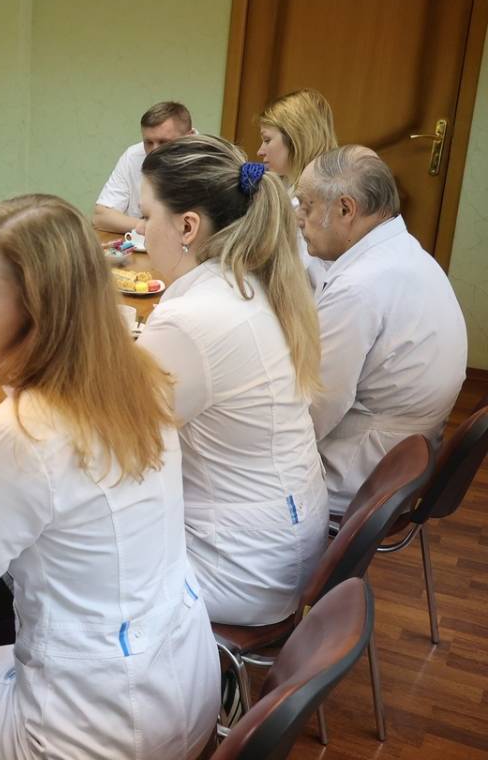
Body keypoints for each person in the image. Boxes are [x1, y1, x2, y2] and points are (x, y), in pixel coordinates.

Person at [0, 195, 218, 759]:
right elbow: (74, 509)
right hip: (184, 688)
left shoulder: (13, 432)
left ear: (40, 309)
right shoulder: (140, 377)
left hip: (93, 730)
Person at [135, 135, 328, 627]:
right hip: (283, 544)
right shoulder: (253, 284)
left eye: (146, 215)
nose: (139, 230)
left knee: (51, 555)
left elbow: (116, 444)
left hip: (239, 570)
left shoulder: (192, 318)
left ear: (187, 226)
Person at [297, 146, 467, 514]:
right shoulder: (403, 253)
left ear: (346, 209)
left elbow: (314, 410)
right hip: (402, 457)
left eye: (306, 206)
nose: (298, 219)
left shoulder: (360, 286)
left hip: (360, 477)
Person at [258, 88, 339, 289]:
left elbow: (303, 278)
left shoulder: (321, 203)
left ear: (296, 138)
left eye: (267, 140)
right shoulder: (283, 186)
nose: (260, 151)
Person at [92, 101, 195, 234]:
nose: (154, 151)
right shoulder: (133, 156)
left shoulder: (210, 161)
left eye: (163, 142)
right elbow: (101, 217)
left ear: (189, 138)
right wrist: (146, 227)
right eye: (148, 142)